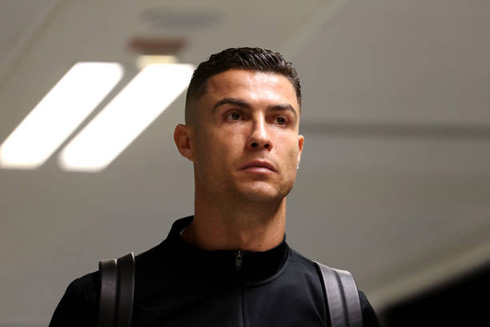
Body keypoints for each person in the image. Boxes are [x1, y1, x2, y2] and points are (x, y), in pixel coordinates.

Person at [50, 47, 381, 327]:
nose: (261, 137)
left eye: (280, 120)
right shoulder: (103, 304)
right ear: (187, 141)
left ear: (299, 150)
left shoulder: (342, 311)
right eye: (235, 115)